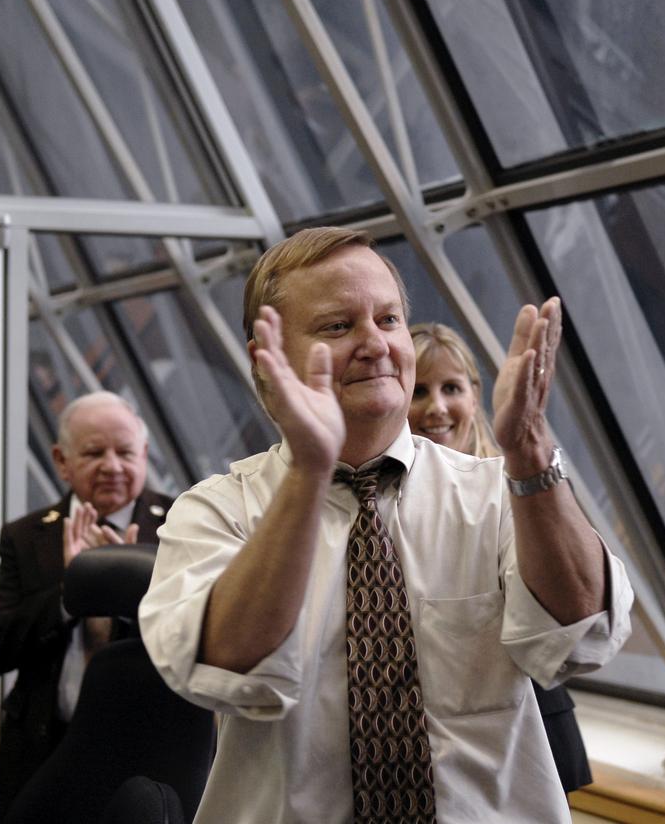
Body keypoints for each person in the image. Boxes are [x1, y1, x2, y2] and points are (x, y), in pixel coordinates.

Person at [140, 227, 632, 823]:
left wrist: (530, 454)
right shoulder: (217, 510)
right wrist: (310, 473)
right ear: (267, 360)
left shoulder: (495, 494)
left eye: (389, 319)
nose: (374, 343)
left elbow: (579, 639)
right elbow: (226, 668)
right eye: (337, 326)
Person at [408, 321, 593, 794]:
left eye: (452, 387)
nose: (437, 408)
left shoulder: (525, 488)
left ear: (475, 395)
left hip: (539, 725)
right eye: (419, 391)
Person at [0, 391, 173, 822]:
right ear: (61, 461)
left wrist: (125, 589)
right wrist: (70, 590)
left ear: (144, 454)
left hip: (149, 760)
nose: (112, 466)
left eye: (124, 452)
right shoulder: (26, 536)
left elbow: (202, 642)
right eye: (93, 452)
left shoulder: (180, 526)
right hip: (43, 756)